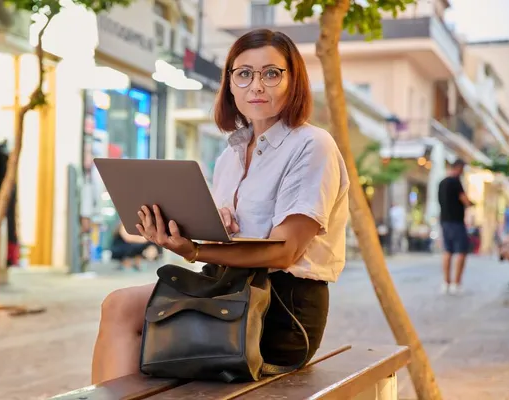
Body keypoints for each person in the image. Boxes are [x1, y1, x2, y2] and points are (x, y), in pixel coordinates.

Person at [90, 29, 350, 384]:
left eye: (271, 73)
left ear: (294, 82)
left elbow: (285, 251)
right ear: (229, 84)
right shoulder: (230, 156)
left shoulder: (312, 145)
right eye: (243, 74)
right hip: (224, 290)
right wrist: (200, 228)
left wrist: (197, 249)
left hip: (280, 309)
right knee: (117, 305)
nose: (256, 86)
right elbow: (228, 238)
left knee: (134, 321)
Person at [438, 160, 473, 295]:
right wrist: (471, 203)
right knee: (461, 252)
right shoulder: (455, 182)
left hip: (444, 221)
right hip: (456, 221)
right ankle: (456, 283)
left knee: (447, 251)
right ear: (459, 168)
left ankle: (446, 282)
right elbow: (465, 200)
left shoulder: (441, 183)